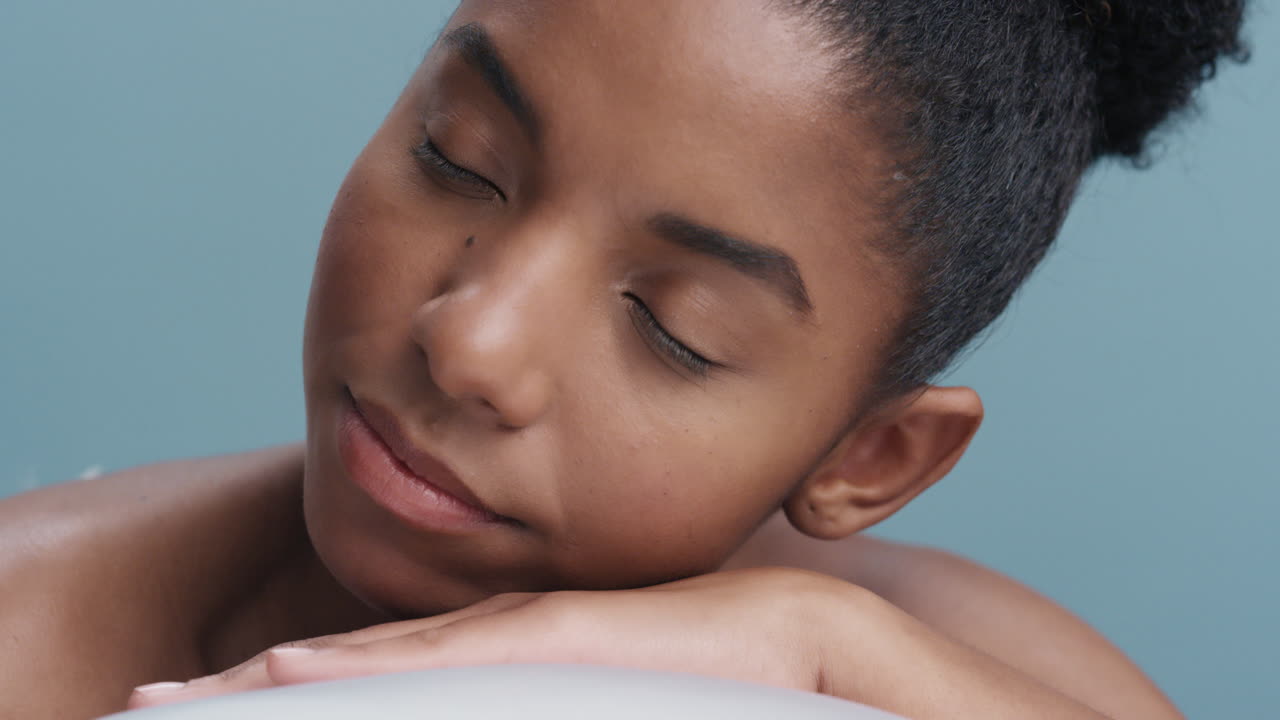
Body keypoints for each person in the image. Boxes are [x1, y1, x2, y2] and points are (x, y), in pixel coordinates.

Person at [0, 1, 1248, 718]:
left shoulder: (954, 662)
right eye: (458, 156)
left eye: (672, 328)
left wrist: (827, 645)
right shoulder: (30, 642)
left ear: (869, 458)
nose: (472, 340)